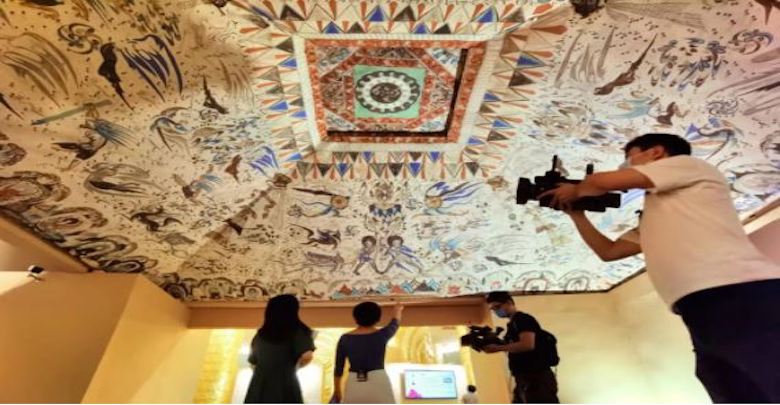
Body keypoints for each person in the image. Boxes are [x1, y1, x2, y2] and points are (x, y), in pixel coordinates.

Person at [539, 133, 780, 403]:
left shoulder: (690, 166)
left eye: (629, 158)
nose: (625, 165)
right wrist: (577, 215)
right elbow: (608, 252)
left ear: (656, 152)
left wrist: (575, 189)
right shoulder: (658, 212)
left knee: (767, 374)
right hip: (698, 307)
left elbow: (600, 182)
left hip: (739, 292)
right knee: (730, 387)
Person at [484, 292, 559, 404]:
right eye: (493, 309)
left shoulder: (523, 319)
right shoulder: (512, 324)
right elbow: (514, 346)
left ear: (509, 302)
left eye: (497, 307)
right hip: (524, 377)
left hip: (536, 377)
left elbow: (527, 344)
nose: (496, 311)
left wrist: (498, 348)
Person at [244, 294, 315, 403]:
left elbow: (253, 362)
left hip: (259, 384)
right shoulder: (298, 331)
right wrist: (295, 368)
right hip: (285, 382)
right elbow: (307, 356)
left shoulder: (260, 335)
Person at [331, 301, 404, 403]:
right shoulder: (382, 335)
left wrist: (337, 390)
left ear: (355, 318)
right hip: (378, 379)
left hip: (354, 382)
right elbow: (395, 323)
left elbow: (338, 368)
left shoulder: (345, 338)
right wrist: (398, 309)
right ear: (378, 318)